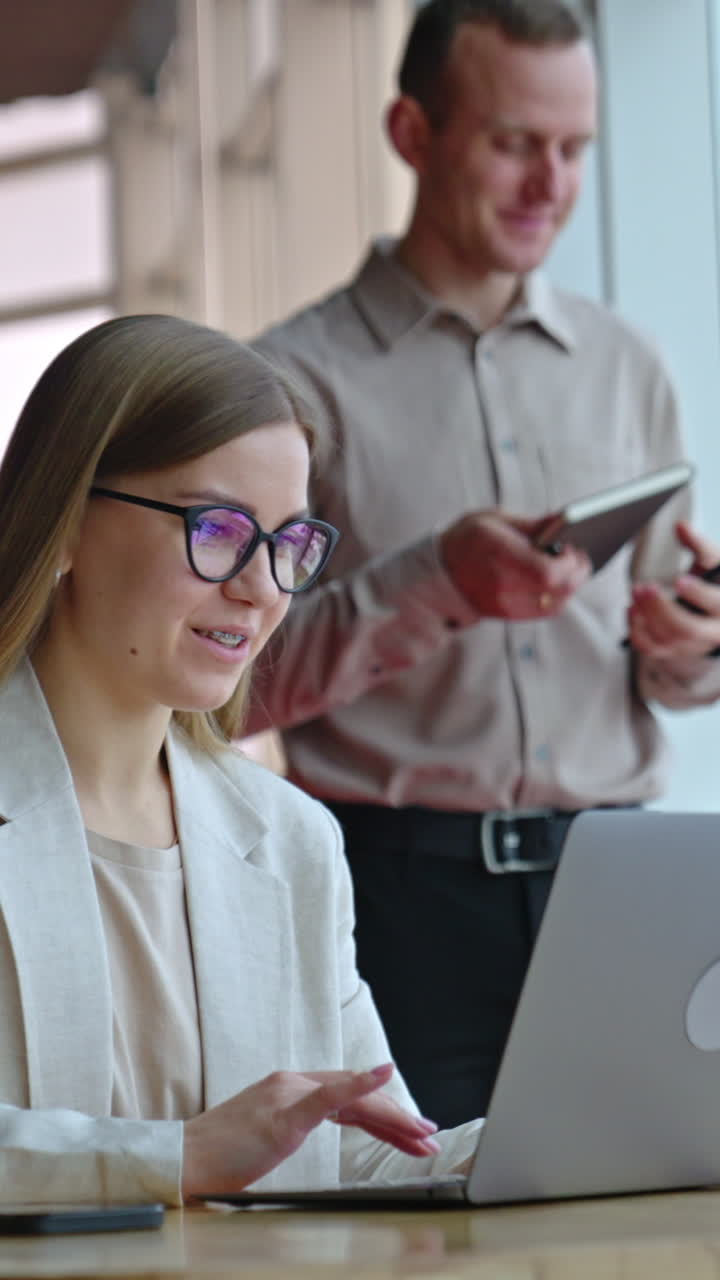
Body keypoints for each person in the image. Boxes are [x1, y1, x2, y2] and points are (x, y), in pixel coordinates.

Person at [250, 0, 720, 1128]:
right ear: (412, 133)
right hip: (393, 900)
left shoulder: (628, 363)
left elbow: (673, 663)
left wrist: (696, 646)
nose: (549, 184)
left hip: (617, 885)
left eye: (574, 150)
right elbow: (241, 683)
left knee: (650, 1222)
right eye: (515, 142)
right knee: (423, 1234)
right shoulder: (286, 387)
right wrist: (438, 583)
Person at [0, 312, 480, 1205]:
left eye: (289, 544)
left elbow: (372, 1150)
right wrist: (173, 1156)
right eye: (216, 527)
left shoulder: (291, 838)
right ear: (66, 520)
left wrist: (572, 1135)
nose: (259, 588)